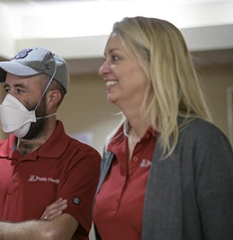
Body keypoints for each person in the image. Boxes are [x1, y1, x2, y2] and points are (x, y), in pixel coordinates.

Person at [92, 16, 233, 240]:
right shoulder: (111, 147)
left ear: (154, 64)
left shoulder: (201, 142)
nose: (102, 70)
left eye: (115, 58)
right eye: (105, 59)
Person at [0, 47, 101, 240]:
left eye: (20, 90)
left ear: (52, 98)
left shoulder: (81, 160)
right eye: (7, 90)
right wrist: (33, 231)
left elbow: (52, 235)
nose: (9, 99)